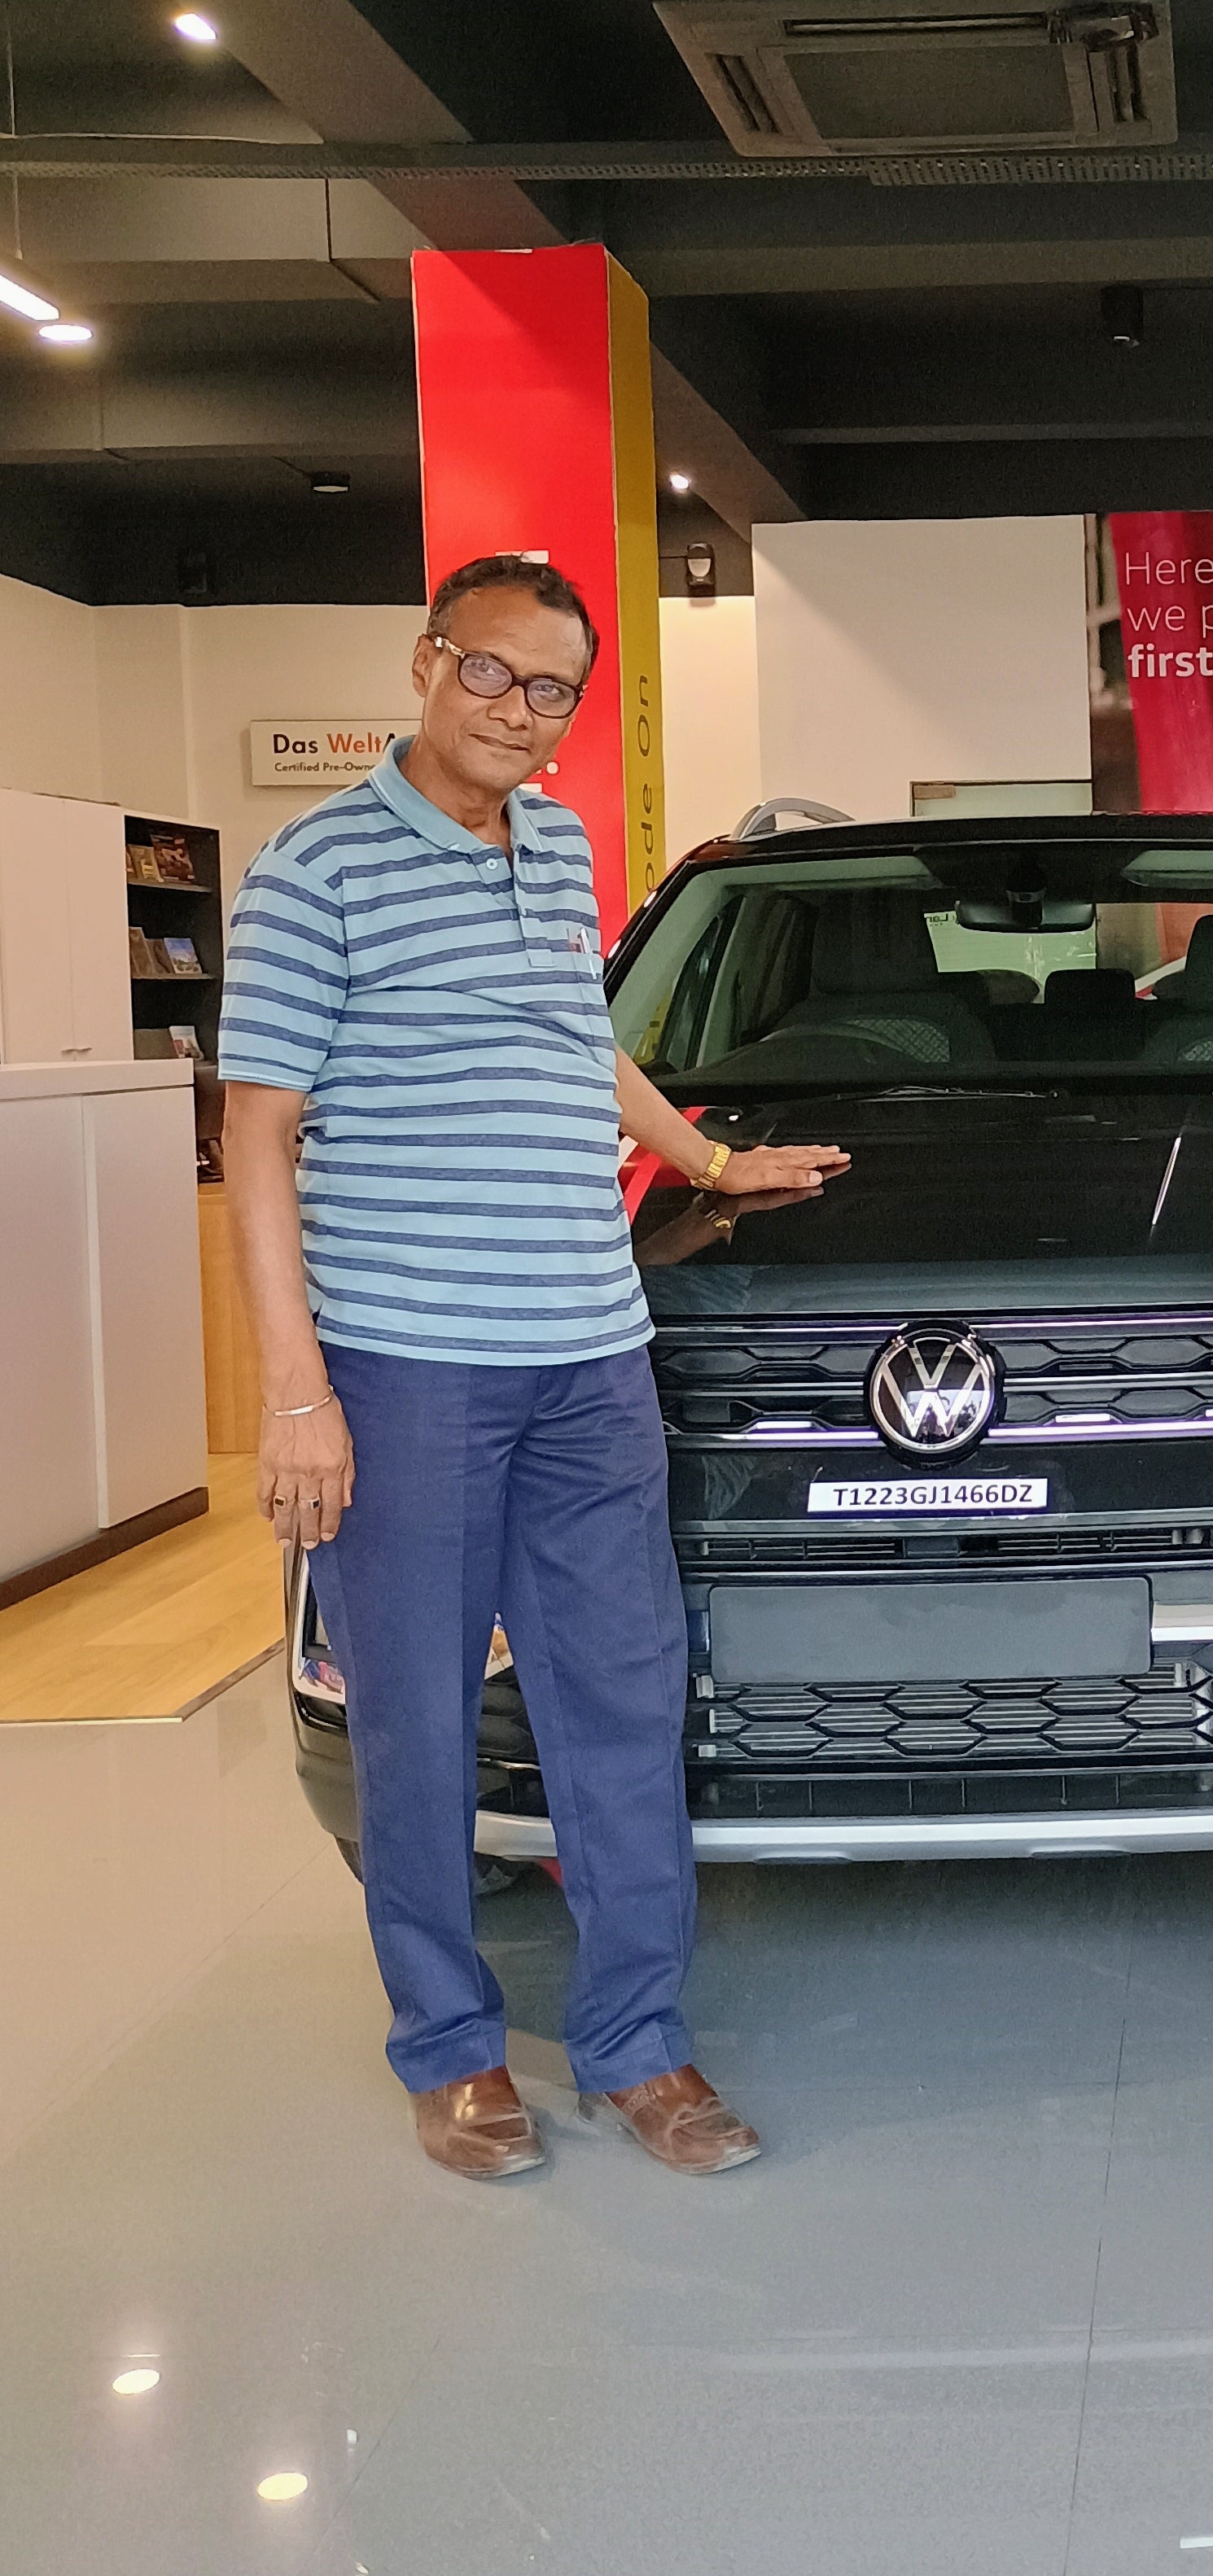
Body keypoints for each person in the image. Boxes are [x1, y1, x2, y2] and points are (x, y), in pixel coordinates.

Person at [220, 553, 850, 2182]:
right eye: (488, 672)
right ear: (428, 663)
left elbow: (584, 1035)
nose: (515, 710)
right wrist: (296, 1389)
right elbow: (257, 1127)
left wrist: (705, 1162)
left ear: (576, 711)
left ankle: (640, 2042)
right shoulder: (319, 868)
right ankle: (451, 2047)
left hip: (589, 1355)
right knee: (420, 1720)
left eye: (549, 688)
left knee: (620, 1706)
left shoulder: (560, 845)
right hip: (409, 1364)